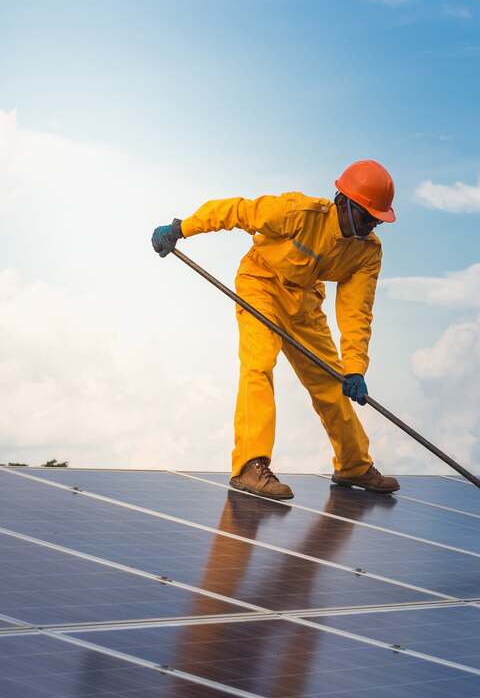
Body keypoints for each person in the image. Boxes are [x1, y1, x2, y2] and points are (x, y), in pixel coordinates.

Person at [151, 160, 401, 500]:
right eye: (366, 215)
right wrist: (182, 228)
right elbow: (237, 211)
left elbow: (357, 311)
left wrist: (355, 368)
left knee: (332, 382)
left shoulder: (368, 252)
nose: (370, 225)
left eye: (376, 219)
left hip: (305, 302)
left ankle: (354, 465)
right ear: (343, 202)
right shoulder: (298, 211)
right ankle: (249, 466)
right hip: (262, 286)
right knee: (259, 366)